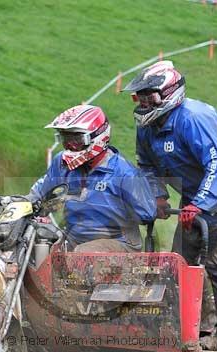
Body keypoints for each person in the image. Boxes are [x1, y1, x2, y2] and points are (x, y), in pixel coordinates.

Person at [124, 60, 217, 334]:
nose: (144, 103)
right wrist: (158, 196)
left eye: (150, 96)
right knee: (178, 264)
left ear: (169, 93)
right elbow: (146, 165)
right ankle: (195, 327)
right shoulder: (146, 128)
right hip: (192, 202)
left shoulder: (194, 119)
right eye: (141, 97)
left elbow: (216, 164)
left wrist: (201, 203)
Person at [27, 104, 156, 252]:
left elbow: (147, 213)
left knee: (84, 254)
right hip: (74, 238)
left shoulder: (125, 173)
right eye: (65, 138)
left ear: (98, 138)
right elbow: (38, 196)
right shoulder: (61, 163)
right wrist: (17, 204)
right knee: (37, 243)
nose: (69, 145)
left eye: (76, 139)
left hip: (118, 242)